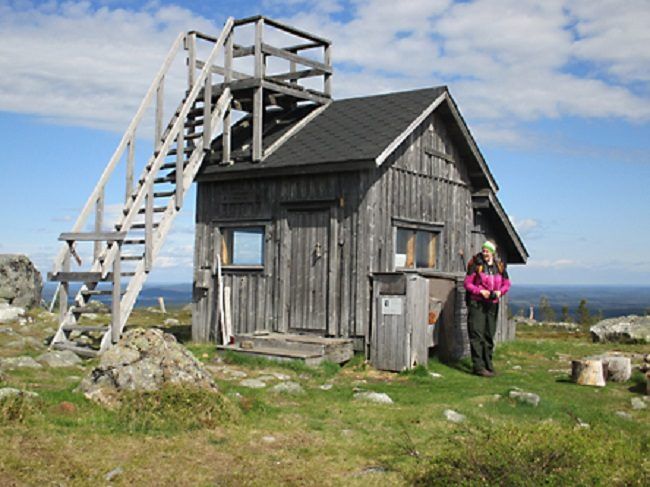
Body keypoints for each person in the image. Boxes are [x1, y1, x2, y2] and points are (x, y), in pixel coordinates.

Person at [463, 240, 510, 377]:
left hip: (492, 304)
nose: (485, 253)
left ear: (493, 252)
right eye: (483, 250)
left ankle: (488, 365)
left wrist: (500, 292)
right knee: (477, 334)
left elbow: (507, 283)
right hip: (477, 303)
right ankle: (478, 367)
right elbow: (467, 283)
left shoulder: (499, 267)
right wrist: (479, 291)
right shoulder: (476, 265)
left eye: (487, 250)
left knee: (489, 334)